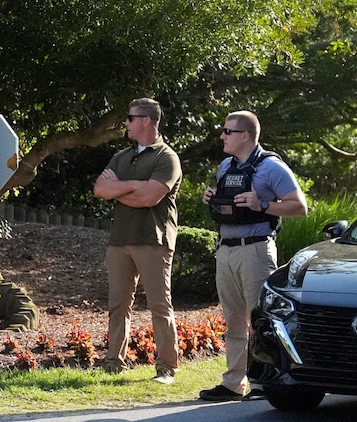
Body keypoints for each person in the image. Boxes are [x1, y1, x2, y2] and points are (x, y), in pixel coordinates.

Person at [200, 111, 307, 401]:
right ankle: (233, 384)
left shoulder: (272, 167)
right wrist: (213, 198)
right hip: (226, 249)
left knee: (260, 320)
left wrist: (261, 204)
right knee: (233, 319)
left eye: (227, 131)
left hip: (256, 249)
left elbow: (299, 206)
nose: (222, 136)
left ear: (245, 135)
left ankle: (264, 380)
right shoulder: (225, 166)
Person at [93, 98, 182, 384]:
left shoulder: (166, 157)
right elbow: (99, 189)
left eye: (130, 118)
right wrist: (132, 185)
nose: (126, 124)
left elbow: (150, 198)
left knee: (159, 305)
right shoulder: (121, 156)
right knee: (118, 304)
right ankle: (113, 363)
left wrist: (117, 189)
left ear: (146, 120)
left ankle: (167, 368)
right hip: (120, 239)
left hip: (153, 240)